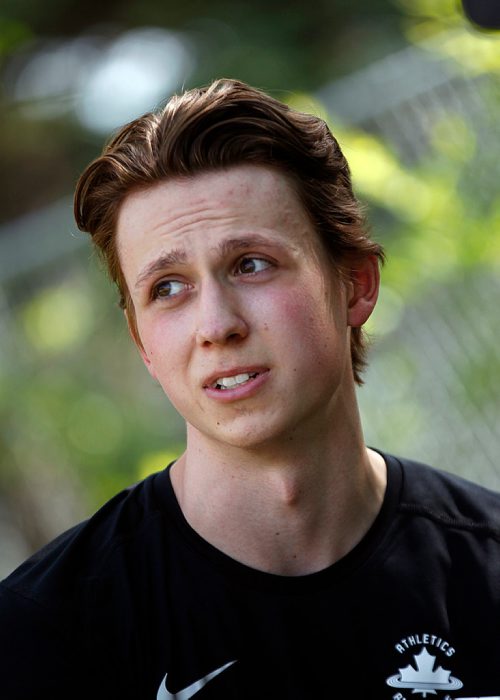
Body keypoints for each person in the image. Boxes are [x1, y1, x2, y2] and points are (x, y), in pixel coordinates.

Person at [1, 78, 499, 700]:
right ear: (142, 342)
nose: (216, 326)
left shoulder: (489, 567)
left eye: (251, 264)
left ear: (356, 284)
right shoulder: (38, 639)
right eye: (168, 288)